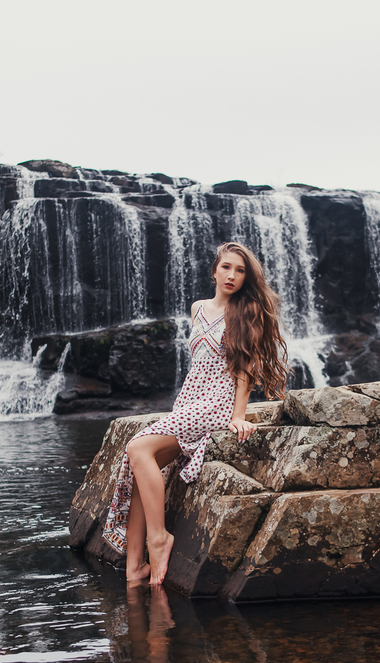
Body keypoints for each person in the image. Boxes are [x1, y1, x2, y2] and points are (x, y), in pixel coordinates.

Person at [101, 242, 289, 585]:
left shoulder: (247, 312)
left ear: (246, 277)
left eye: (240, 270)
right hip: (189, 400)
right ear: (214, 271)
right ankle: (134, 567)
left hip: (217, 402)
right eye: (226, 267)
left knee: (137, 448)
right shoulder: (197, 308)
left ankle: (159, 539)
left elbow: (246, 371)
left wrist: (238, 415)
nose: (232, 275)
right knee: (142, 463)